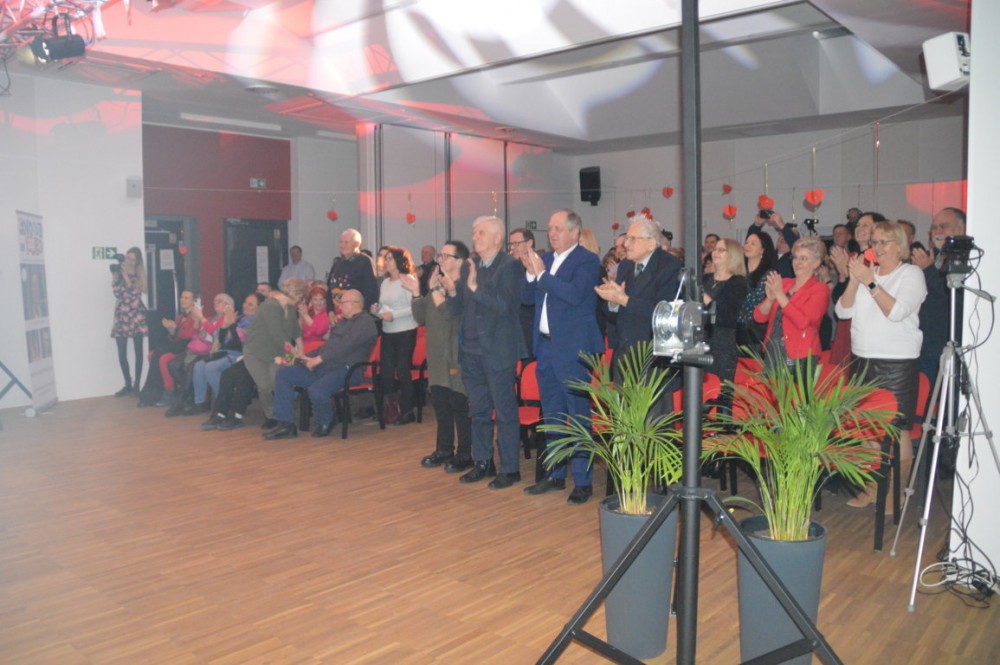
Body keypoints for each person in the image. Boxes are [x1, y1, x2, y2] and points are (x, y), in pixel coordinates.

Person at [835, 222, 927, 507]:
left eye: (885, 242)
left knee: (895, 430)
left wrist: (870, 282)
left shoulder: (911, 274)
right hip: (862, 358)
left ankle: (896, 494)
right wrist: (855, 279)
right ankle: (874, 487)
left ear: (900, 246)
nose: (878, 247)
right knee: (865, 427)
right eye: (874, 242)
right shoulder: (868, 273)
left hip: (896, 362)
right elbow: (842, 311)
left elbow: (896, 312)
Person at [521, 209, 605, 504]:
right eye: (550, 228)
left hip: (573, 349)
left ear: (574, 232)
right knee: (552, 415)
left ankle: (582, 481)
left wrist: (541, 276)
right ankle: (556, 474)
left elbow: (574, 294)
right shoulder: (544, 260)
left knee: (578, 414)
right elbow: (526, 298)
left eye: (558, 228)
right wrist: (530, 275)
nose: (552, 233)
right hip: (546, 347)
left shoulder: (587, 260)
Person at [444, 215, 528, 488]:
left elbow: (504, 305)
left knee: (504, 413)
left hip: (497, 351)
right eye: (474, 232)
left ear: (497, 238)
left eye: (480, 232)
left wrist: (474, 288)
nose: (475, 237)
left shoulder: (510, 266)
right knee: (478, 411)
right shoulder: (471, 266)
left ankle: (510, 469)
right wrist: (452, 291)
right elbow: (458, 310)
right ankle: (483, 462)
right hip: (470, 351)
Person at [265, 290, 379, 440]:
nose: (339, 306)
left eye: (342, 303)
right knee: (285, 374)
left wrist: (319, 359)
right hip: (326, 366)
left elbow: (345, 347)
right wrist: (306, 356)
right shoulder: (343, 322)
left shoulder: (365, 322)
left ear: (354, 304)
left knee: (316, 390)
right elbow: (327, 347)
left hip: (348, 369)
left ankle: (327, 419)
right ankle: (286, 424)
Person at [407, 241, 473, 471]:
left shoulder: (464, 288)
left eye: (446, 256)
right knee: (441, 405)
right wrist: (417, 292)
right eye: (440, 255)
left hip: (455, 357)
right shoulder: (437, 285)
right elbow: (420, 317)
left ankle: (465, 453)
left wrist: (435, 290)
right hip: (436, 357)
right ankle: (444, 449)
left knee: (459, 407)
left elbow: (450, 316)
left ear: (460, 261)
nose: (440, 260)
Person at [595, 217, 683, 376]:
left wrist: (623, 300)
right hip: (624, 353)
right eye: (627, 238)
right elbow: (614, 316)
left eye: (632, 239)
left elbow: (664, 313)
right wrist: (612, 302)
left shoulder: (669, 266)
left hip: (653, 358)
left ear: (651, 243)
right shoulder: (625, 265)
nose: (626, 244)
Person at [754, 236, 830, 369]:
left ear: (816, 263)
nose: (797, 262)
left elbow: (803, 322)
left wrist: (779, 295)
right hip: (773, 350)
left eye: (804, 258)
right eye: (795, 257)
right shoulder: (784, 283)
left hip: (800, 355)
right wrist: (770, 299)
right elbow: (759, 317)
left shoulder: (820, 289)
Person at [912, 207, 966, 388]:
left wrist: (928, 270)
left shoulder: (967, 261)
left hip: (949, 345)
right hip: (924, 345)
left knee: (948, 398)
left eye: (944, 226)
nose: (938, 231)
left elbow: (957, 298)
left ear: (961, 229)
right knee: (924, 398)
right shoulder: (931, 258)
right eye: (934, 227)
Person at [243, 278, 306, 430]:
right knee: (264, 387)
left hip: (276, 353)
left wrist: (302, 349)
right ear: (297, 295)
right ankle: (271, 416)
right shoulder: (270, 306)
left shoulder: (290, 308)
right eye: (301, 296)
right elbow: (278, 335)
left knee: (276, 383)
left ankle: (282, 416)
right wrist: (292, 355)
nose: (302, 300)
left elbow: (295, 330)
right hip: (255, 352)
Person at [193, 292, 262, 426]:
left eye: (250, 304)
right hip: (225, 351)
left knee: (211, 368)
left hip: (239, 354)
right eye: (245, 302)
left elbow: (239, 344)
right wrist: (226, 327)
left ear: (259, 308)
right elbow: (222, 338)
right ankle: (200, 404)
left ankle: (224, 404)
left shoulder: (255, 322)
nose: (245, 306)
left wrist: (231, 326)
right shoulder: (239, 317)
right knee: (199, 365)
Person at [828, 211, 886, 366]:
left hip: (867, 324)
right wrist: (842, 274)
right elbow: (838, 299)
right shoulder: (852, 256)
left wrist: (847, 273)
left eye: (865, 225)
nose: (859, 228)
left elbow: (872, 293)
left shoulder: (881, 259)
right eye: (858, 225)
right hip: (847, 321)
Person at [165, 293, 233, 416]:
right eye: (215, 301)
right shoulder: (211, 318)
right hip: (195, 347)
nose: (215, 303)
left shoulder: (226, 319)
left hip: (210, 351)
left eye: (219, 301)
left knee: (193, 367)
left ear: (228, 305)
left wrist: (201, 319)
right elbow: (196, 333)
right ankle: (191, 393)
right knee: (172, 364)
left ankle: (181, 401)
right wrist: (197, 321)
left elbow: (216, 334)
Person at [376, 245, 419, 426]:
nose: (386, 262)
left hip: (405, 331)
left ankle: (408, 411)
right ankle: (391, 410)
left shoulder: (408, 279)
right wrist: (378, 310)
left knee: (403, 371)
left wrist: (393, 314)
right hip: (388, 331)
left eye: (390, 259)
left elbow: (414, 307)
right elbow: (384, 304)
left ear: (399, 261)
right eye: (385, 259)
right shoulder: (385, 282)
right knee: (386, 373)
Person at [703, 238, 748, 397]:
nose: (715, 252)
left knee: (720, 395)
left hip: (722, 344)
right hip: (700, 341)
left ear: (733, 255)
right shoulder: (705, 279)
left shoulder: (738, 282)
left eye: (721, 250)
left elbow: (726, 316)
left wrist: (704, 297)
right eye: (715, 249)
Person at [138, 290, 198, 407]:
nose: (183, 300)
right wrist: (171, 330)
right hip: (178, 345)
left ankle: (164, 392)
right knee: (152, 354)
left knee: (163, 357)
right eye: (182, 297)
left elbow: (192, 335)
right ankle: (155, 392)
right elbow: (174, 338)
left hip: (188, 348)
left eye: (187, 298)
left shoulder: (196, 316)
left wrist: (176, 328)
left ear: (193, 301)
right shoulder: (180, 317)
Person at [110, 247, 148, 397]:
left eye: (133, 259)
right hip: (122, 315)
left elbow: (134, 294)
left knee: (138, 351)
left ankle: (137, 385)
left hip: (136, 315)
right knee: (121, 353)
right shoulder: (120, 272)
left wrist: (126, 276)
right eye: (128, 258)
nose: (130, 262)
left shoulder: (139, 276)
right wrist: (115, 277)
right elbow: (117, 293)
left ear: (137, 261)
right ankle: (128, 384)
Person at [737, 230, 777, 351]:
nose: (747, 246)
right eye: (746, 242)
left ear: (762, 250)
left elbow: (755, 301)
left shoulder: (769, 275)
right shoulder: (738, 272)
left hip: (754, 331)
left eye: (753, 243)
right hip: (734, 329)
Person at [326, 229, 378, 315]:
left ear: (357, 244)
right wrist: (330, 311)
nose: (342, 245)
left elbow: (371, 292)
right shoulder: (337, 263)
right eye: (341, 242)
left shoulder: (365, 262)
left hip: (356, 316)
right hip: (337, 316)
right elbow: (329, 289)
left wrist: (358, 312)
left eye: (346, 242)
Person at [509, 227, 536, 359]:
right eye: (511, 244)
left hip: (529, 328)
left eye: (517, 243)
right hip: (512, 329)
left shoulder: (539, 265)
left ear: (529, 243)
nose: (513, 248)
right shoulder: (512, 267)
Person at [298, 285, 331, 353]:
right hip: (302, 346)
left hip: (318, 349)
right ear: (311, 301)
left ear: (325, 301)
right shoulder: (307, 310)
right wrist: (301, 315)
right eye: (315, 299)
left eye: (321, 299)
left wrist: (305, 315)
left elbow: (319, 331)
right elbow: (299, 331)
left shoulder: (327, 314)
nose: (319, 303)